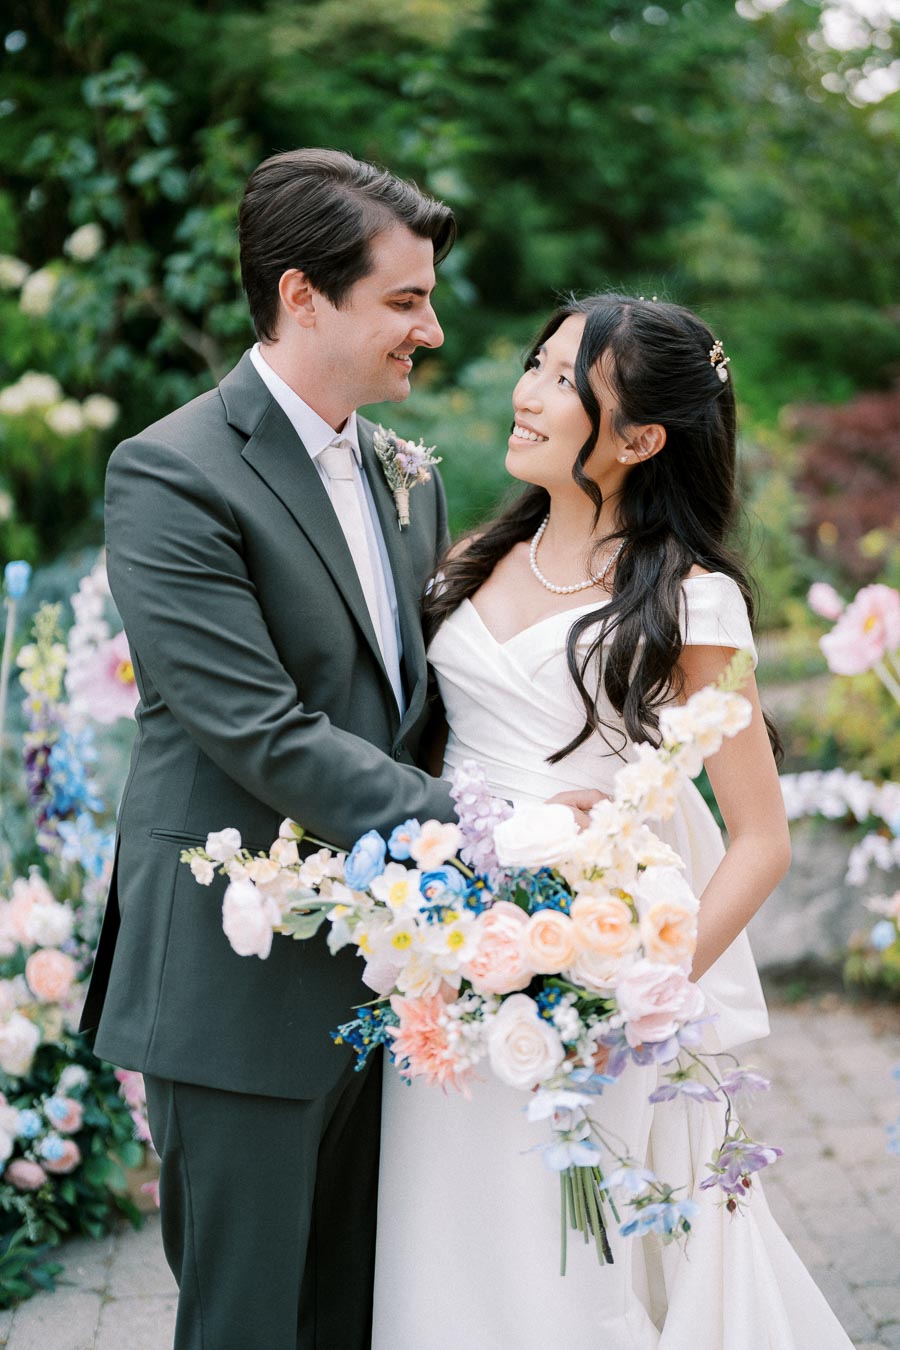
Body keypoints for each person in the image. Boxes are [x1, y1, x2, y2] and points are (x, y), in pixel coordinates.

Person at [373, 294, 854, 1348]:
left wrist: (636, 992)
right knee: (445, 1239)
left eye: (560, 381)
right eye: (535, 365)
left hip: (592, 983)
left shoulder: (691, 602)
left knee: (570, 1258)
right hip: (448, 962)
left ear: (640, 439)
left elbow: (760, 838)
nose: (526, 396)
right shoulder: (465, 563)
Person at [79, 147, 460, 1350]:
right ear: (304, 296)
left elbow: (415, 702)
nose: (431, 330)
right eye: (404, 300)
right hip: (235, 986)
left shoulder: (409, 475)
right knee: (247, 1327)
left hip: (380, 982)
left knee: (353, 1316)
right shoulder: (172, 472)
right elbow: (255, 726)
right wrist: (481, 832)